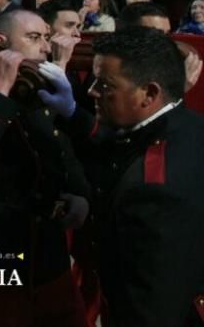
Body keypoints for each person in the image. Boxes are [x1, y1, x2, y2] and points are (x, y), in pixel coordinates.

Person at [0, 10, 88, 325]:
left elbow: (58, 148)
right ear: (0, 43)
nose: (45, 48)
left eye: (46, 38)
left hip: (47, 252)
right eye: (34, 38)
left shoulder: (36, 91)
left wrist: (79, 193)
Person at [65, 27, 204, 325]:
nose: (92, 92)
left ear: (149, 93)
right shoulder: (190, 126)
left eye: (105, 85)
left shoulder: (154, 188)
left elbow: (152, 308)